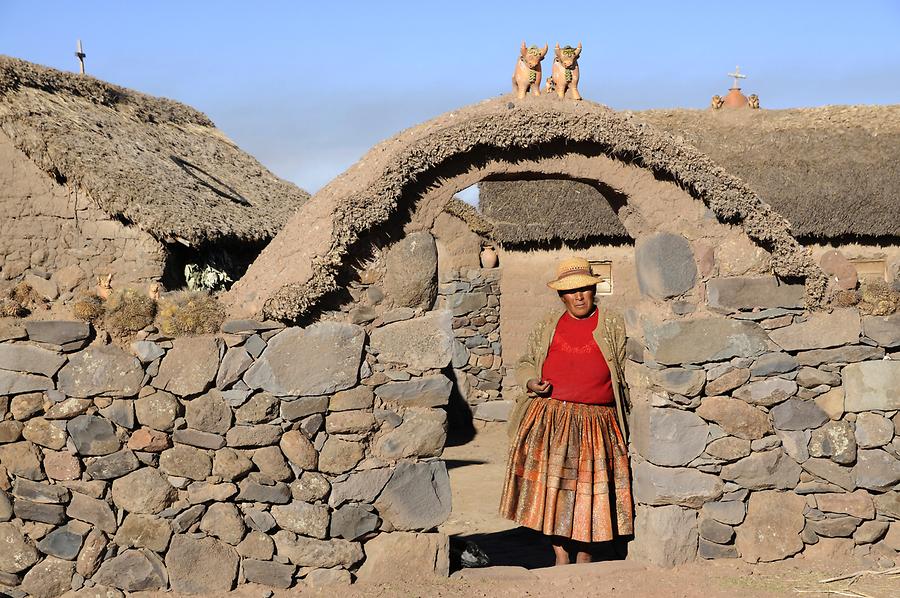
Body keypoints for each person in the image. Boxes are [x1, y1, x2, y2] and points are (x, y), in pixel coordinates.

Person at [500, 257, 633, 566]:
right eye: (571, 292)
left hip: (597, 422)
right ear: (561, 296)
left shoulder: (612, 323)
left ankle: (585, 553)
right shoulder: (549, 323)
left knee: (589, 493)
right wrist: (530, 382)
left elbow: (623, 371)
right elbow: (525, 362)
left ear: (593, 289)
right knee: (555, 491)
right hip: (552, 419)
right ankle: (560, 553)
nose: (579, 297)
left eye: (584, 289)